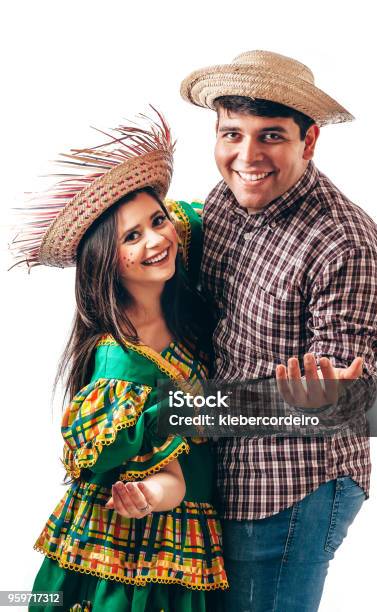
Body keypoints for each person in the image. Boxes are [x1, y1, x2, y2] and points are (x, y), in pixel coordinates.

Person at [180, 50, 377, 611]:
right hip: (223, 473)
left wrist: (330, 394)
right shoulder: (225, 201)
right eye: (233, 133)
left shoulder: (346, 244)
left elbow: (341, 397)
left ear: (309, 141)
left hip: (290, 486)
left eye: (271, 136)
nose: (247, 156)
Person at [12, 112, 228, 611]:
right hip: (133, 560)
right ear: (106, 260)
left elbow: (195, 216)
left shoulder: (182, 293)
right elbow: (170, 478)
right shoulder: (123, 364)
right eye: (131, 238)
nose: (156, 241)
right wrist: (148, 493)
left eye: (156, 222)